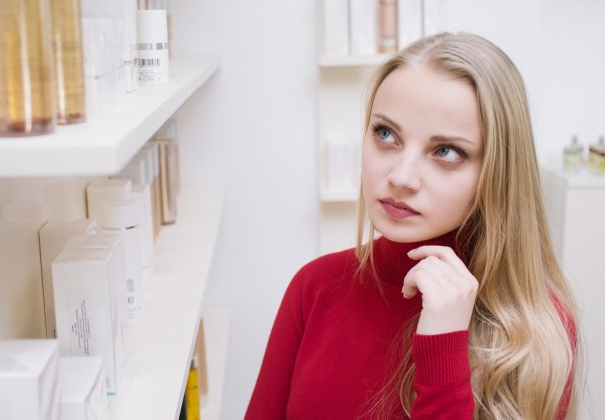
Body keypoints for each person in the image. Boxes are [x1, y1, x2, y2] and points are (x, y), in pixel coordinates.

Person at [245, 32, 579, 420]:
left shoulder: (536, 330)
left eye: (446, 151)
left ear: (497, 172)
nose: (401, 176)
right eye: (386, 134)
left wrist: (444, 347)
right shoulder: (315, 288)